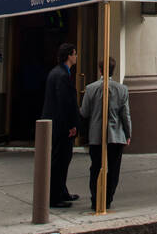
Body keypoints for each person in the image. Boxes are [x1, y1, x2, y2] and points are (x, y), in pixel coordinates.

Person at [78, 56, 132, 211]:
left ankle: (96, 200)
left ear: (100, 69)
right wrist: (128, 134)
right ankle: (107, 199)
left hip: (96, 135)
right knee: (113, 169)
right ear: (113, 70)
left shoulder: (90, 88)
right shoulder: (122, 89)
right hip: (116, 135)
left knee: (95, 167)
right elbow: (125, 115)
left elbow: (84, 112)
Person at [42, 43, 82, 208]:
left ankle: (62, 191)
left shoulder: (57, 73)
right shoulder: (62, 76)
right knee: (60, 161)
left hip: (58, 125)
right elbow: (64, 103)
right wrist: (71, 125)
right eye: (75, 54)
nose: (77, 56)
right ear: (69, 56)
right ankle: (54, 197)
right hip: (61, 127)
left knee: (62, 160)